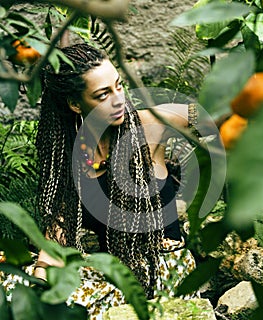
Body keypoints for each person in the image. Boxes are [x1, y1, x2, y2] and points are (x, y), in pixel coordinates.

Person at [33, 43, 200, 319]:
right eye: (103, 94)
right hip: (114, 273)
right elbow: (55, 240)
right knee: (24, 289)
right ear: (75, 104)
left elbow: (213, 115)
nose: (119, 99)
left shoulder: (151, 126)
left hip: (162, 275)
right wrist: (39, 278)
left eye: (119, 86)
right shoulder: (72, 157)